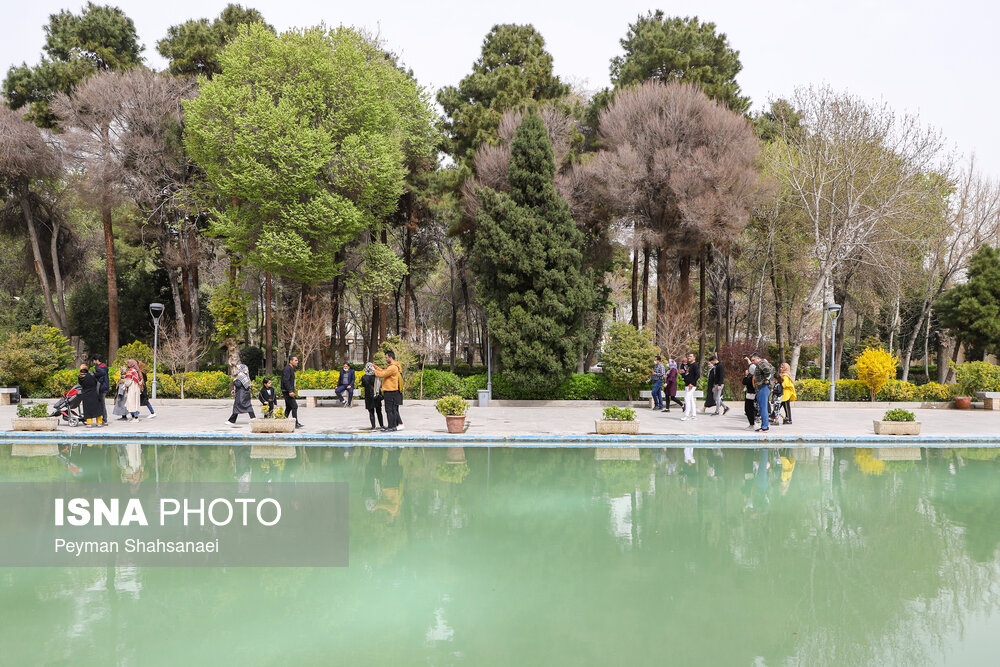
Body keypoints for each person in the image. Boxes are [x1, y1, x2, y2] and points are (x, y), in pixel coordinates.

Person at [372, 350, 403, 432]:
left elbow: (382, 374)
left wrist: (373, 370)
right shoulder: (391, 366)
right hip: (390, 391)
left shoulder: (393, 367)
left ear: (390, 357)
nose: (385, 359)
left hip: (390, 391)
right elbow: (384, 371)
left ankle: (391, 427)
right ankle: (392, 426)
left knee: (389, 410)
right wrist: (376, 367)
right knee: (391, 409)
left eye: (386, 357)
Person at [750, 352, 774, 432]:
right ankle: (764, 426)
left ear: (758, 358)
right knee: (763, 407)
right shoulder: (763, 363)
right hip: (763, 387)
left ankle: (764, 427)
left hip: (763, 387)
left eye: (753, 360)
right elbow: (772, 370)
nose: (753, 362)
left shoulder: (761, 363)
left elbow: (768, 371)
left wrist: (767, 379)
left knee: (763, 408)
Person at [361, 362, 385, 431]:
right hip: (377, 396)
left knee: (371, 412)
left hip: (369, 397)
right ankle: (382, 426)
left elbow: (363, 385)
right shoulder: (376, 376)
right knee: (379, 412)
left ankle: (373, 427)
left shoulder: (364, 377)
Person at [281, 356, 303, 428]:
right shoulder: (287, 369)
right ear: (291, 361)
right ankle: (295, 423)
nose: (297, 362)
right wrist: (290, 391)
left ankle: (283, 421)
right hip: (287, 391)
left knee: (289, 407)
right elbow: (285, 381)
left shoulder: (291, 369)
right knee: (294, 406)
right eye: (295, 360)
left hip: (288, 390)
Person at [91, 354, 109, 426]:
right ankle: (103, 418)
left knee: (102, 403)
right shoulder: (102, 366)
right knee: (101, 403)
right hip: (103, 387)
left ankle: (104, 419)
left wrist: (94, 374)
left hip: (102, 387)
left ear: (97, 360)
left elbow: (101, 374)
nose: (93, 361)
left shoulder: (100, 367)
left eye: (94, 360)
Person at [681, 353, 700, 421]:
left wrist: (692, 383)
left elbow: (697, 375)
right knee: (691, 400)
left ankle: (686, 415)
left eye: (691, 356)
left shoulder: (695, 365)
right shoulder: (689, 365)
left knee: (687, 398)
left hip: (691, 385)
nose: (689, 357)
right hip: (687, 384)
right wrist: (683, 372)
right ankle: (694, 415)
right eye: (688, 356)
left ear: (694, 358)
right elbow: (687, 374)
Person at [742, 362, 757, 430]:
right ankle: (753, 422)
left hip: (751, 394)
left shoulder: (751, 377)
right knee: (751, 409)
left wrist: (746, 375)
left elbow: (744, 382)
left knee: (749, 409)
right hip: (753, 394)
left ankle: (752, 423)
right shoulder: (756, 376)